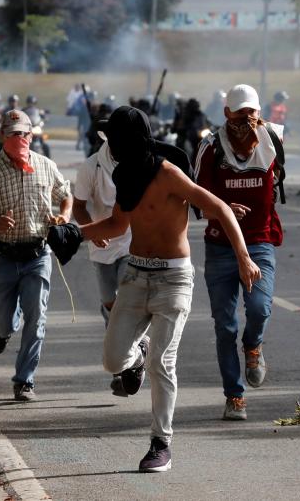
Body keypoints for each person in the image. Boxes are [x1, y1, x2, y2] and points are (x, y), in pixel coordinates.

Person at [72, 105, 261, 472]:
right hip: (135, 274)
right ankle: (137, 353)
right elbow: (116, 225)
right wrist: (73, 233)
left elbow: (220, 208)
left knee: (163, 362)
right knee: (113, 360)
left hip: (173, 279)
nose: (110, 143)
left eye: (115, 137)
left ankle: (161, 443)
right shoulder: (125, 175)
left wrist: (243, 257)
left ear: (130, 141)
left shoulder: (169, 173)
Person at [0, 108, 72, 402]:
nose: (19, 138)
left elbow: (65, 195)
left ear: (31, 135)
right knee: (5, 322)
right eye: (12, 134)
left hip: (37, 255)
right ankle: (1, 332)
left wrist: (63, 217)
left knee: (36, 318)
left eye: (23, 133)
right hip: (0, 255)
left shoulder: (45, 166)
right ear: (2, 136)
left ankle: (24, 381)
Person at [193, 84, 284, 422]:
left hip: (260, 242)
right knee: (224, 326)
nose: (247, 118)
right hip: (220, 247)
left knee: (259, 308)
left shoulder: (273, 139)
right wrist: (223, 210)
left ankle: (253, 345)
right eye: (240, 112)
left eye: (252, 112)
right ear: (227, 113)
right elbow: (195, 201)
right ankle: (234, 396)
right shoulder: (210, 147)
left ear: (259, 112)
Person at [72, 136, 131, 396]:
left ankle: (126, 367)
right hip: (101, 245)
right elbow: (78, 207)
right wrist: (92, 231)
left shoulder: (137, 163)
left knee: (128, 303)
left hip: (131, 243)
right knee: (111, 305)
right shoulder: (91, 166)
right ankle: (119, 357)